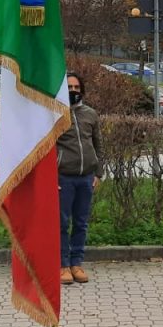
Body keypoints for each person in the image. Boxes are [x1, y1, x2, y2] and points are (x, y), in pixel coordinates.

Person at [57, 72, 101, 285]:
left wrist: (98, 173)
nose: (73, 91)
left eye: (76, 87)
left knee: (81, 224)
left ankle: (77, 264)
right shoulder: (55, 114)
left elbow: (97, 144)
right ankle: (63, 265)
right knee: (62, 224)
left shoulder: (90, 114)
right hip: (63, 178)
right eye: (69, 87)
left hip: (86, 178)